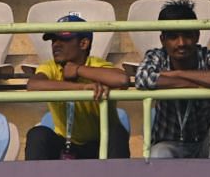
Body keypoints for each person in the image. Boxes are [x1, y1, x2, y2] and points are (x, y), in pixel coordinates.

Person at [133, 0, 210, 159]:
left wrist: (177, 74)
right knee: (158, 153)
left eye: (187, 35)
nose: (181, 43)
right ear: (163, 40)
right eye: (173, 37)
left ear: (197, 36)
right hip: (170, 144)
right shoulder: (156, 56)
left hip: (205, 144)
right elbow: (141, 78)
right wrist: (198, 81)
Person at [26, 14, 131, 160]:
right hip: (66, 145)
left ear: (83, 44)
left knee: (117, 133)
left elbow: (122, 79)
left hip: (100, 144)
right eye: (54, 39)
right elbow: (33, 85)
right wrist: (81, 87)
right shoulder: (50, 67)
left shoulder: (96, 65)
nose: (56, 44)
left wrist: (78, 70)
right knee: (38, 134)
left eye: (64, 39)